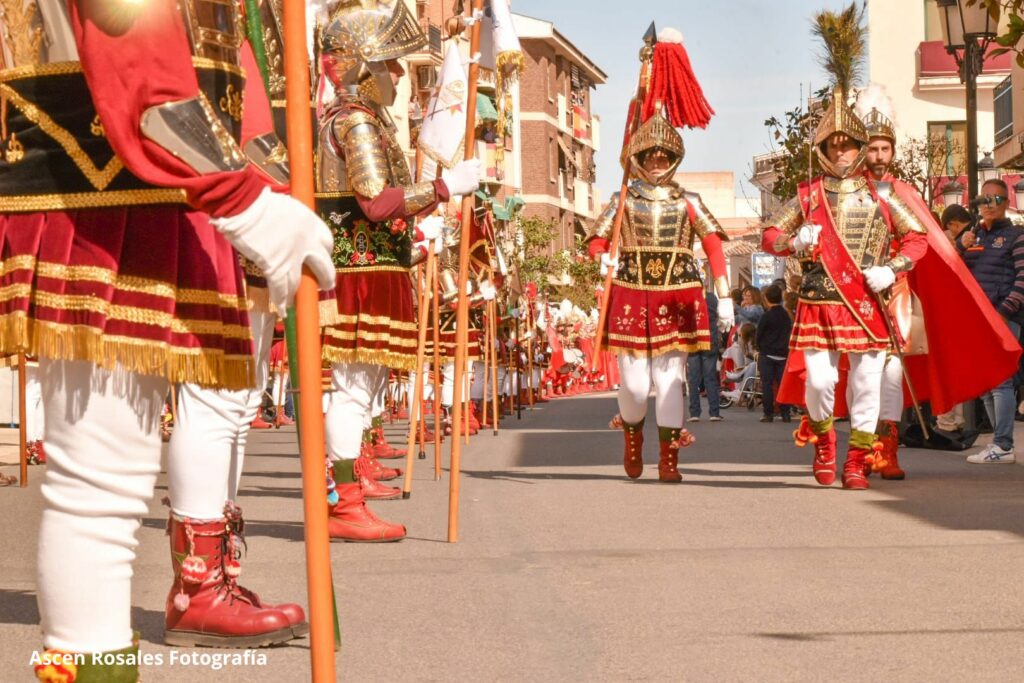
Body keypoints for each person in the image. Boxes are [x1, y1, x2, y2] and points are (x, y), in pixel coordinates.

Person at [0, 2, 336, 676]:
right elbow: (138, 46)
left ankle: (197, 578)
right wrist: (241, 197)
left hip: (155, 179)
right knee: (99, 483)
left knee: (106, 482)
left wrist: (251, 185)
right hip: (103, 177)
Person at [314, 0, 481, 538]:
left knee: (360, 385)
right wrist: (442, 188)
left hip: (372, 266)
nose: (397, 74)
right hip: (358, 273)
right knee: (352, 387)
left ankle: (348, 492)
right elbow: (375, 204)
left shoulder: (365, 120)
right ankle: (342, 502)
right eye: (388, 64)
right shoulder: (357, 123)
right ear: (362, 65)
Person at [761, 83, 929, 490]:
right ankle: (824, 442)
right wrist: (792, 242)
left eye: (849, 146)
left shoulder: (883, 194)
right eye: (833, 146)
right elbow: (769, 236)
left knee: (868, 383)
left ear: (859, 146)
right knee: (819, 381)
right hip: (819, 300)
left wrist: (892, 269)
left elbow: (917, 238)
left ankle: (856, 459)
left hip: (868, 301)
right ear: (822, 149)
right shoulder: (808, 195)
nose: (841, 153)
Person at [587, 29, 733, 483]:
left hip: (679, 293)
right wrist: (601, 260)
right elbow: (596, 240)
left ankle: (669, 458)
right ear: (638, 155)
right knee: (633, 384)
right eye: (647, 154)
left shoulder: (688, 199)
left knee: (672, 379)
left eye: (662, 154)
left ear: (672, 156)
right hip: (630, 291)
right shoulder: (622, 197)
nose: (654, 161)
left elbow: (712, 243)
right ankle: (632, 436)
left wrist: (723, 293)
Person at [958, 178, 1024, 464]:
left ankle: (1003, 444)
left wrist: (1003, 312)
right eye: (985, 199)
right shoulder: (974, 236)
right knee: (985, 382)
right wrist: (960, 246)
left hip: (1002, 316)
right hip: (976, 319)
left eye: (996, 199)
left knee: (1000, 381)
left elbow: (1023, 279)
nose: (990, 205)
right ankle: (1000, 444)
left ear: (1007, 203)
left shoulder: (1017, 235)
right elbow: (955, 272)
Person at [756, 284, 793, 423]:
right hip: (783, 353)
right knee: (783, 384)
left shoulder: (766, 315)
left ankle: (768, 413)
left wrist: (760, 348)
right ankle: (785, 413)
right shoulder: (785, 315)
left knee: (767, 384)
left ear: (766, 298)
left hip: (767, 353)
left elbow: (759, 334)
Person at [686, 288, 722, 422]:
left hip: (693, 339)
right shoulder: (712, 298)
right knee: (710, 377)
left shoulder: (687, 297)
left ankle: (694, 412)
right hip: (709, 338)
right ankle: (714, 412)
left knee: (693, 378)